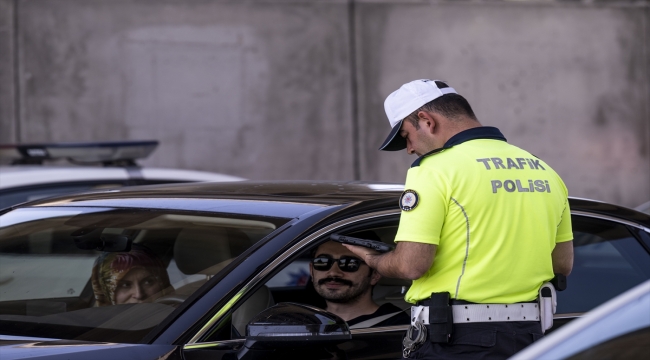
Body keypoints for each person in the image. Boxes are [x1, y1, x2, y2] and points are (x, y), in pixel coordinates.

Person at [342, 79, 574, 359]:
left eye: (406, 136)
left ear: (426, 120)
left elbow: (411, 265)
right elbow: (562, 264)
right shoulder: (543, 170)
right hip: (530, 337)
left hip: (457, 340)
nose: (410, 149)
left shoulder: (434, 170)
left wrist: (373, 259)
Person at [310, 240, 410, 328]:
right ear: (311, 271)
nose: (333, 272)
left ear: (375, 275)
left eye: (349, 263)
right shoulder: (304, 320)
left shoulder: (398, 326)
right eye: (322, 262)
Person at [91, 244, 172, 306]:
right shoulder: (97, 327)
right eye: (126, 285)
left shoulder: (182, 318)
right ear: (106, 293)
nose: (139, 294)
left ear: (163, 284)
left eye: (148, 282)